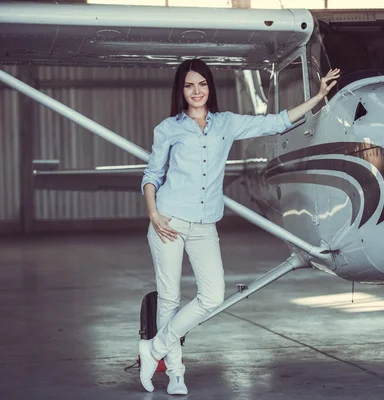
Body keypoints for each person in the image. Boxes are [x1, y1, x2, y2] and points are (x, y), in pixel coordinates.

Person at [139, 58, 340, 395]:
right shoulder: (168, 129)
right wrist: (154, 215)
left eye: (202, 84)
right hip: (169, 221)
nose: (197, 91)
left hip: (205, 225)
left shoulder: (226, 123)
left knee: (212, 295)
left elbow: (277, 123)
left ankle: (155, 349)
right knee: (169, 300)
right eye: (189, 85)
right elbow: (151, 176)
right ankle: (175, 373)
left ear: (210, 88)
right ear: (181, 90)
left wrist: (318, 97)